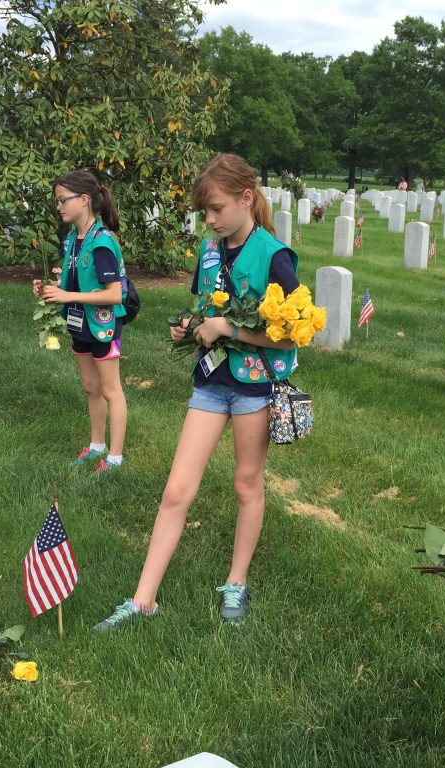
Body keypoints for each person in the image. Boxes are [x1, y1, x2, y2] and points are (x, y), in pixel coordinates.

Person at [93, 153, 300, 630]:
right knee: (176, 490)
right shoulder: (210, 252)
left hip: (253, 389)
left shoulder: (275, 257)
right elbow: (206, 308)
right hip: (210, 384)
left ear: (246, 198)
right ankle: (144, 599)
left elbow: (291, 334)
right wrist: (191, 328)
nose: (208, 220)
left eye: (216, 208)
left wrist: (229, 328)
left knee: (247, 485)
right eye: (204, 211)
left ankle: (236, 582)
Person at [32, 170, 129, 476]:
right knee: (90, 387)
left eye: (63, 199)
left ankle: (115, 457)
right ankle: (97, 445)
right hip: (79, 322)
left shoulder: (102, 243)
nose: (58, 206)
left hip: (103, 325)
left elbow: (114, 294)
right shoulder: (73, 238)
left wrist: (66, 294)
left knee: (110, 389)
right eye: (56, 200)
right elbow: (75, 277)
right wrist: (51, 288)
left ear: (84, 200)